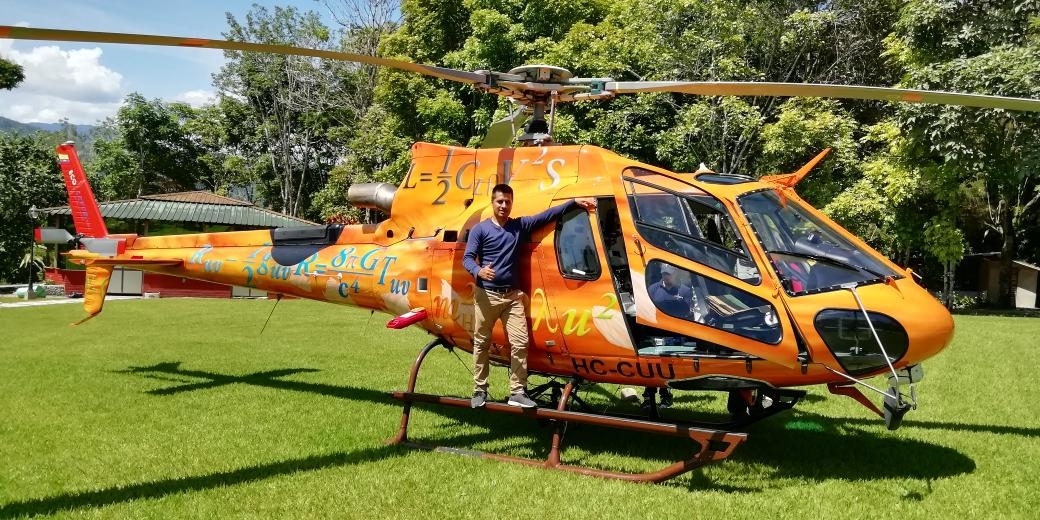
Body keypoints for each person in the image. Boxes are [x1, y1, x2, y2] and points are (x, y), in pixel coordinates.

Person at [463, 184, 597, 408]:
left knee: (520, 343)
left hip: (512, 297)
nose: (504, 205)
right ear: (492, 202)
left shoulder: (519, 226)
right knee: (482, 343)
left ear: (512, 203)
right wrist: (478, 271)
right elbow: (467, 258)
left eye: (507, 202)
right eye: (500, 201)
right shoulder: (480, 229)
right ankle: (479, 389)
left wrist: (573, 203)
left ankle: (517, 391)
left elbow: (547, 216)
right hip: (487, 295)